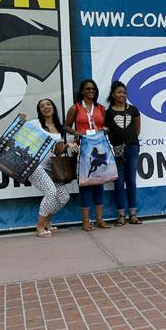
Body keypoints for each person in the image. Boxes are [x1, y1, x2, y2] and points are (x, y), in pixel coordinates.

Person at [64, 79, 110, 230]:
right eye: (88, 89)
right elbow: (65, 126)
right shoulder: (76, 108)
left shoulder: (101, 108)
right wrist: (77, 132)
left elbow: (107, 126)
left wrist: (104, 130)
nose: (91, 91)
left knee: (99, 184)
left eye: (93, 89)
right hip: (83, 149)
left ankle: (99, 219)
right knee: (85, 185)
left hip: (99, 148)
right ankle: (85, 221)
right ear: (82, 91)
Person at [26, 99, 71, 238]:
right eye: (42, 106)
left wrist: (68, 145)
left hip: (51, 168)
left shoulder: (59, 127)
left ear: (53, 107)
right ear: (39, 110)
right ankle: (39, 228)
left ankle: (47, 223)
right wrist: (21, 121)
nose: (46, 107)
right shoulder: (35, 123)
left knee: (64, 197)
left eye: (48, 104)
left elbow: (57, 152)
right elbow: (19, 134)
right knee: (51, 191)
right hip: (35, 165)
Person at [105, 81, 142, 226]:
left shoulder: (133, 110)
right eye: (119, 92)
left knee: (131, 181)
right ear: (113, 94)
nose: (122, 95)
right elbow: (107, 131)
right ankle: (121, 215)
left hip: (132, 148)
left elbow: (137, 130)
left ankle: (133, 214)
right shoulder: (109, 112)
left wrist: (130, 142)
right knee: (119, 182)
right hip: (116, 149)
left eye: (124, 92)